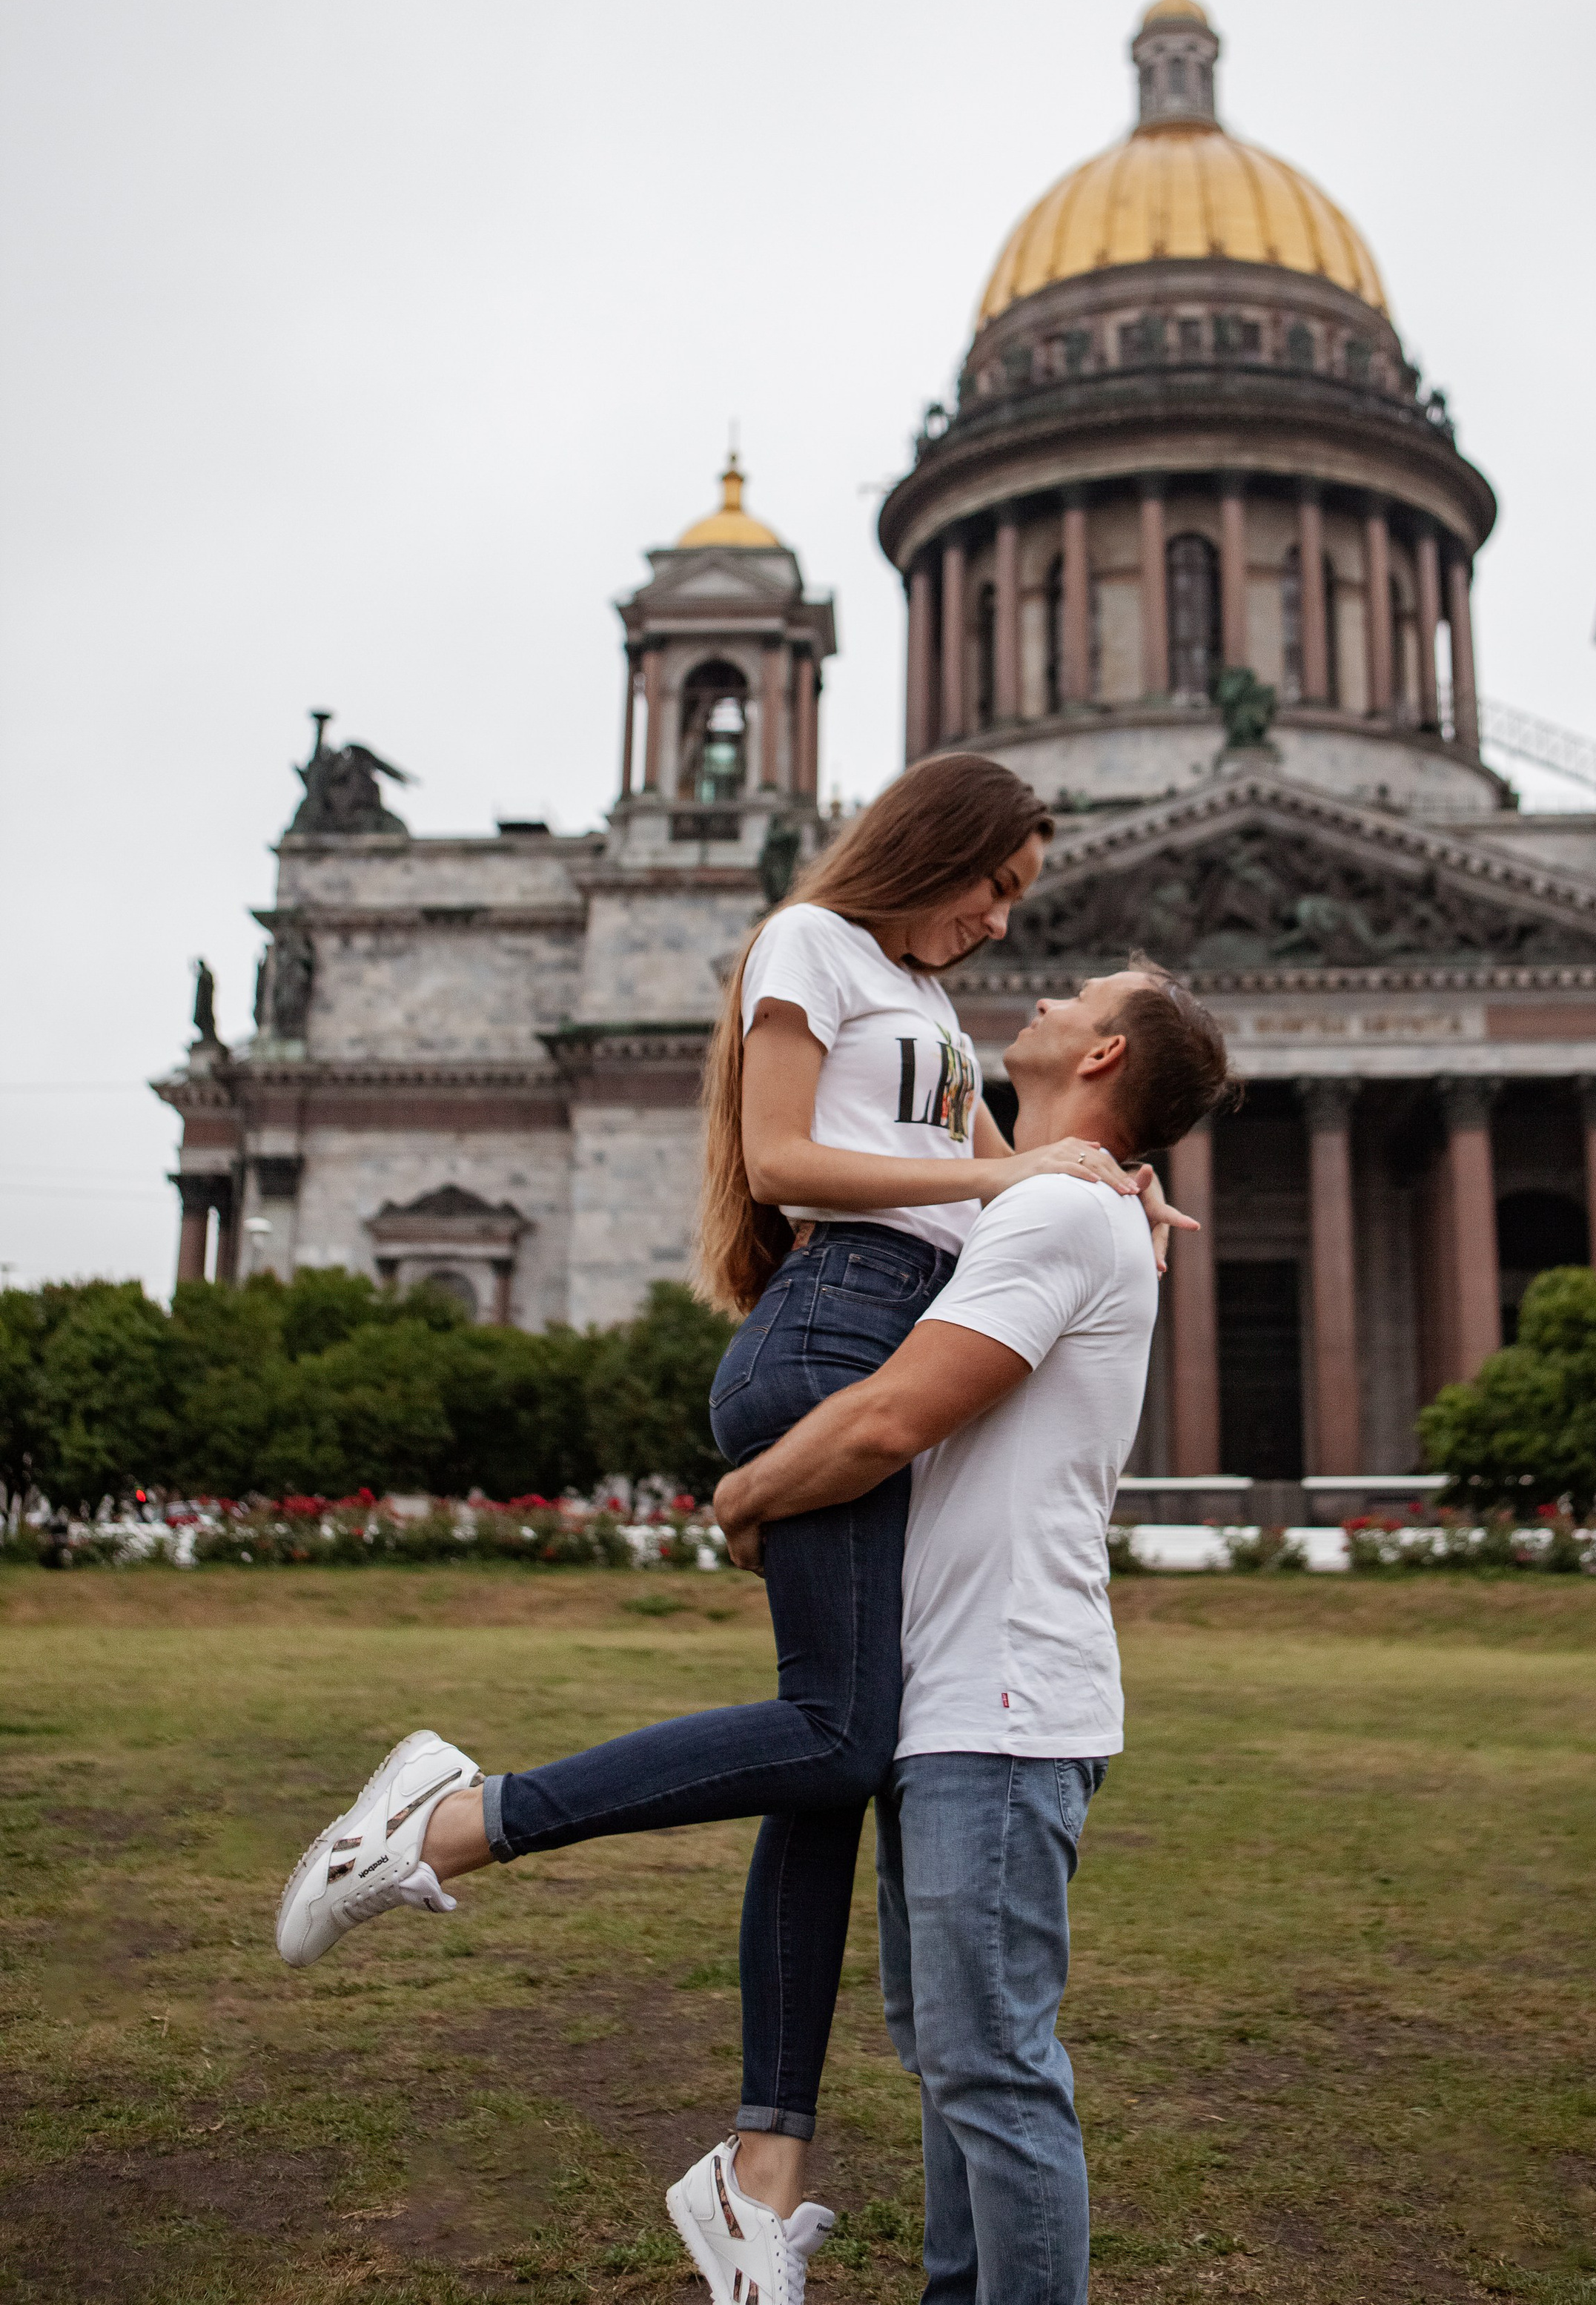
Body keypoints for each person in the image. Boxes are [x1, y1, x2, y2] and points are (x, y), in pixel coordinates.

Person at [274, 756, 1188, 2304]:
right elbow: (783, 1164)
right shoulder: (804, 941)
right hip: (832, 1330)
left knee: (836, 1752)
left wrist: (1108, 1196)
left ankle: (763, 2171)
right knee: (833, 1737)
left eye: (1022, 909)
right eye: (995, 885)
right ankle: (442, 1822)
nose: (995, 922)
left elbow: (1017, 1192)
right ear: (937, 842)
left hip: (883, 1325)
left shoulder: (938, 1024)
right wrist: (1014, 1164)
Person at [706, 962, 1234, 2305]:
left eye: (1077, 992)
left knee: (991, 2073)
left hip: (997, 1711)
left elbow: (893, 1417)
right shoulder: (1051, 1195)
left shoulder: (1057, 1212)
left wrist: (753, 1488)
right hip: (956, 1701)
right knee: (956, 2065)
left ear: (1105, 1055)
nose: (1043, 993)